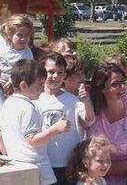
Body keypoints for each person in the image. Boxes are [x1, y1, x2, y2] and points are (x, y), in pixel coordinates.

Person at [36, 53, 96, 185]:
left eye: (60, 72)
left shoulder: (72, 100)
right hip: (46, 162)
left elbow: (90, 120)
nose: (56, 76)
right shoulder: (36, 100)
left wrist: (85, 100)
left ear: (64, 75)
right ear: (42, 73)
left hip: (70, 163)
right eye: (51, 72)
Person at [0, 59, 58, 185]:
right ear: (24, 85)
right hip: (37, 166)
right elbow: (32, 140)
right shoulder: (28, 109)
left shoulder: (8, 103)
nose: (43, 89)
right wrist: (56, 129)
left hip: (15, 164)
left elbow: (0, 135)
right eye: (40, 85)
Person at [0, 14, 35, 87]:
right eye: (19, 35)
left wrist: (10, 83)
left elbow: (23, 73)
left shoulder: (27, 55)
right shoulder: (4, 43)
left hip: (11, 86)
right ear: (9, 34)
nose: (23, 39)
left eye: (27, 35)